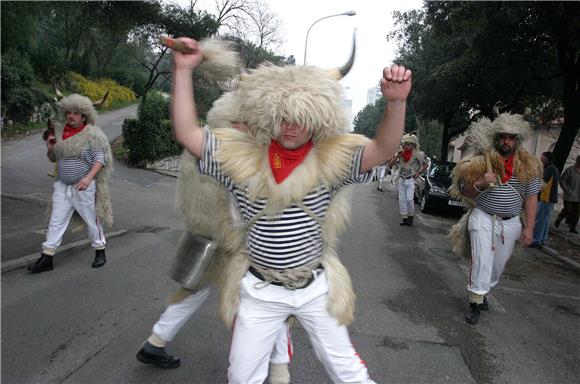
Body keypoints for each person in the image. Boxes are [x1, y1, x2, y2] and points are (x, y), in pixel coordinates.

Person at [169, 36, 411, 383]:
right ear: (268, 113)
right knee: (241, 377)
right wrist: (183, 69)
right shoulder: (240, 157)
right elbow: (188, 133)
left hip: (315, 289)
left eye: (300, 116)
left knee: (350, 374)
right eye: (282, 116)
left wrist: (396, 103)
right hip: (259, 291)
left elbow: (384, 147)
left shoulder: (332, 158)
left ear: (315, 115)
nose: (291, 126)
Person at [136, 80, 293, 383]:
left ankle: (156, 341)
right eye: (245, 123)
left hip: (204, 238)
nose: (250, 129)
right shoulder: (234, 152)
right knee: (267, 302)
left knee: (194, 290)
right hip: (233, 245)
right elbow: (236, 208)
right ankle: (277, 372)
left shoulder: (205, 143)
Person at [449, 113, 542, 325]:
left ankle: (484, 291)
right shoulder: (480, 161)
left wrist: (529, 228)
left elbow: (531, 198)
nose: (506, 141)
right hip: (482, 217)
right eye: (502, 137)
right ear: (496, 138)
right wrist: (481, 182)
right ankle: (475, 301)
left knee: (497, 265)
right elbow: (464, 190)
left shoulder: (528, 165)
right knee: (481, 260)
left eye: (511, 137)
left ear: (517, 140)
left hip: (510, 223)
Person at [28, 94, 113, 273]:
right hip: (62, 186)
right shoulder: (59, 132)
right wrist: (50, 147)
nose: (71, 116)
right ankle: (47, 257)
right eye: (69, 112)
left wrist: (88, 178)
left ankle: (99, 250)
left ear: (84, 116)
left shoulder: (91, 134)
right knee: (55, 221)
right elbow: (53, 158)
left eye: (76, 113)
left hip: (83, 187)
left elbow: (100, 158)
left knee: (92, 221)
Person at [389, 134, 428, 226]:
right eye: (405, 144)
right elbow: (390, 164)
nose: (407, 146)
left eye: (409, 144)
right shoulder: (400, 153)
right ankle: (404, 218)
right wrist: (397, 156)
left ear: (413, 145)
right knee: (402, 199)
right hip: (401, 179)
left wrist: (419, 173)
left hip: (411, 179)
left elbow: (426, 165)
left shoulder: (418, 154)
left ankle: (411, 216)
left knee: (409, 199)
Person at [530, 151, 559, 248]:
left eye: (543, 158)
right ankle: (542, 239)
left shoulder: (550, 169)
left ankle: (536, 240)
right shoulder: (551, 168)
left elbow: (541, 183)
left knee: (540, 220)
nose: (541, 159)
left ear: (548, 159)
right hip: (549, 199)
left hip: (546, 199)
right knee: (545, 220)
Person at [555, 155, 580, 234]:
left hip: (579, 196)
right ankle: (559, 218)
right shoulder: (570, 170)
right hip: (569, 195)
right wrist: (567, 190)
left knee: (577, 213)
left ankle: (572, 227)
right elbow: (562, 180)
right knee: (568, 210)